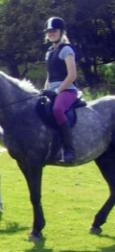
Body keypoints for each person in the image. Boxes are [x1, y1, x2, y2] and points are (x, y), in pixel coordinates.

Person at [44, 16, 77, 164]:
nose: (51, 34)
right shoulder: (49, 52)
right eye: (49, 31)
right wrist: (44, 90)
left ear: (61, 32)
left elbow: (72, 75)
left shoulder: (67, 50)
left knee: (57, 109)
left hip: (67, 90)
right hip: (52, 90)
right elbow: (49, 76)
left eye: (54, 31)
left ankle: (69, 149)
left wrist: (57, 91)